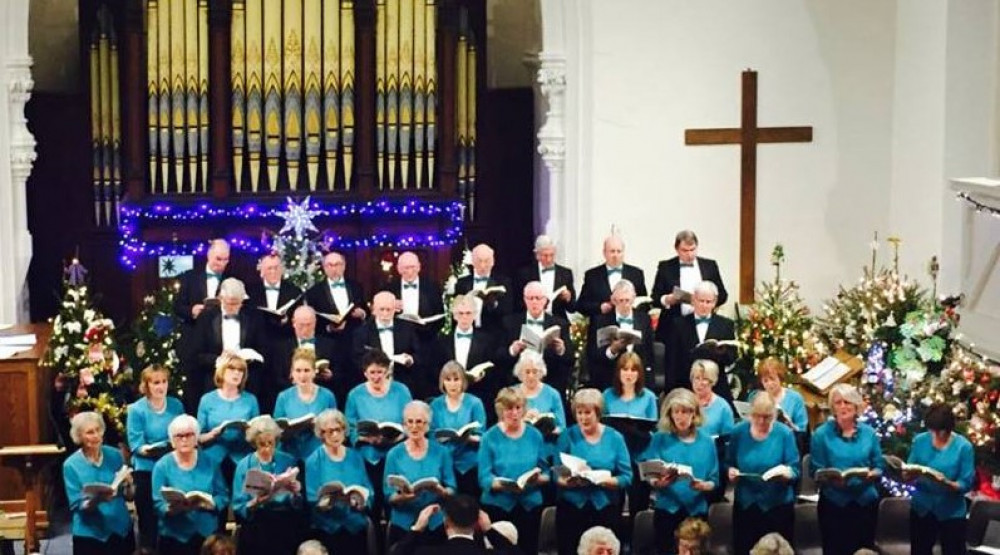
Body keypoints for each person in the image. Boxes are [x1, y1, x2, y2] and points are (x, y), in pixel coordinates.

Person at [638, 388, 719, 555]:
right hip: (667, 510)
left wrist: (704, 486)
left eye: (686, 411)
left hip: (696, 512)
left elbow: (714, 480)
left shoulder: (706, 442)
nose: (681, 417)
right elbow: (649, 473)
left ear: (695, 413)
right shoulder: (660, 438)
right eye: (677, 412)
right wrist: (658, 482)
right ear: (670, 414)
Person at [555, 388, 632, 555]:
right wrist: (568, 482)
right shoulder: (567, 436)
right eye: (579, 412)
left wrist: (603, 480)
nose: (583, 417)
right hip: (572, 508)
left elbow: (626, 477)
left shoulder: (615, 438)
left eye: (587, 412)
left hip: (605, 508)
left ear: (598, 413)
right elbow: (556, 473)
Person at [809, 383, 883, 555]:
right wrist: (831, 478)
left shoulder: (869, 433)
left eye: (847, 402)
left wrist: (871, 474)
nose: (843, 406)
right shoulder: (821, 435)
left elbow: (879, 466)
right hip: (834, 506)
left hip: (865, 504)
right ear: (832, 407)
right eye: (838, 402)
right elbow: (815, 471)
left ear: (856, 406)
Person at [478, 387, 550, 554]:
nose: (515, 413)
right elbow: (484, 478)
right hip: (499, 505)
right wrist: (502, 484)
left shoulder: (535, 435)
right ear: (501, 410)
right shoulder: (489, 437)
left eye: (518, 408)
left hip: (529, 505)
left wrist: (538, 479)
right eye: (510, 408)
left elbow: (546, 472)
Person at [726, 392, 800, 555]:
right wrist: (731, 471)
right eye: (757, 416)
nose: (761, 421)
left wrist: (786, 474)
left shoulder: (784, 434)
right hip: (746, 506)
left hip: (777, 507)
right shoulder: (739, 432)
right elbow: (729, 462)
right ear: (750, 414)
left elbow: (795, 469)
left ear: (774, 415)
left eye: (766, 417)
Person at [345, 349, 413, 517]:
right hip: (367, 457)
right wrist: (365, 438)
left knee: (397, 501)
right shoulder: (355, 394)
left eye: (380, 372)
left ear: (388, 371)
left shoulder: (401, 391)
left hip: (397, 454)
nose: (376, 377)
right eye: (372, 372)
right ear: (365, 372)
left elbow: (410, 420)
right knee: (372, 504)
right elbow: (349, 427)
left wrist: (398, 436)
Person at [127, 365, 186, 550]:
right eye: (155, 382)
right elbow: (136, 445)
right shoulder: (137, 410)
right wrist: (157, 448)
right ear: (146, 386)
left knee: (173, 518)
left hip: (172, 466)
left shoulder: (176, 405)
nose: (161, 386)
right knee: (148, 521)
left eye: (164, 382)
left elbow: (183, 432)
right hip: (146, 469)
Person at [384, 400, 457, 549]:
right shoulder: (394, 454)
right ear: (404, 425)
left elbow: (452, 489)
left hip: (435, 522)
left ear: (427, 425)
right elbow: (388, 495)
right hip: (403, 524)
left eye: (419, 422)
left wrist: (441, 491)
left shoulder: (441, 452)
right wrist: (402, 497)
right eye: (409, 422)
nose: (414, 426)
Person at [152, 414, 229, 555]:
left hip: (207, 538)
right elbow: (158, 503)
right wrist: (172, 509)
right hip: (174, 536)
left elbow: (223, 496)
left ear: (196, 438)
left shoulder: (211, 462)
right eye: (179, 436)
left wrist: (211, 504)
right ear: (172, 440)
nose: (184, 440)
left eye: (189, 435)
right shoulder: (162, 466)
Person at [906, 402, 975, 555]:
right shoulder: (920, 440)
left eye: (941, 431)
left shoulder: (964, 447)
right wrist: (906, 474)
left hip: (951, 511)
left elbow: (966, 483)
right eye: (932, 431)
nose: (936, 435)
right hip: (921, 507)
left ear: (949, 428)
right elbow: (911, 466)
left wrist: (948, 483)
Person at [190, 278, 270, 408]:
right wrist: (219, 359)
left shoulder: (254, 317)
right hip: (214, 380)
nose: (232, 308)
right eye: (228, 303)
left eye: (236, 304)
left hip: (246, 380)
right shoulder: (207, 317)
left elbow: (263, 348)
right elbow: (196, 353)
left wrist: (247, 358)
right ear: (221, 298)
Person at [63, 411, 135, 555]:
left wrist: (129, 484)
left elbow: (129, 496)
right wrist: (98, 499)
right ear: (79, 437)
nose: (96, 436)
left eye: (98, 430)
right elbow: (79, 505)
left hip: (120, 529)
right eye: (90, 432)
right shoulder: (71, 465)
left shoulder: (115, 455)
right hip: (90, 534)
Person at [173, 239, 232, 413]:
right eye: (218, 259)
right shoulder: (189, 278)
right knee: (193, 390)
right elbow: (177, 306)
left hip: (217, 342)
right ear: (208, 255)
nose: (222, 264)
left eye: (226, 260)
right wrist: (192, 310)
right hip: (192, 342)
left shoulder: (231, 281)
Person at [231, 415, 304, 554]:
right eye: (262, 444)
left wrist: (295, 492)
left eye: (271, 443)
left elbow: (298, 501)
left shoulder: (287, 460)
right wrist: (255, 502)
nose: (267, 448)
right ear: (254, 443)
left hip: (284, 524)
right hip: (256, 525)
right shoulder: (243, 465)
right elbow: (238, 505)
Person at [304, 409, 373, 554]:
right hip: (328, 528)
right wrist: (326, 503)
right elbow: (311, 498)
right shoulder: (314, 460)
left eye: (338, 430)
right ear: (321, 434)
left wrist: (360, 501)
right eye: (329, 431)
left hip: (355, 526)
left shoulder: (355, 457)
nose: (335, 435)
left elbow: (369, 490)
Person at [601, 352, 657, 523]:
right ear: (618, 372)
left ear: (639, 373)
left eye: (634, 370)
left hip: (639, 455)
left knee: (638, 506)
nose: (629, 374)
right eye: (625, 369)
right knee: (613, 507)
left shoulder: (648, 397)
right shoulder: (608, 395)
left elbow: (653, 427)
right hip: (614, 457)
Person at [661, 281, 735, 402]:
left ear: (715, 302)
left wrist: (719, 352)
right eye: (701, 301)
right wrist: (671, 393)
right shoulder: (678, 324)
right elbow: (671, 362)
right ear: (693, 300)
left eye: (708, 302)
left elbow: (731, 358)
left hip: (716, 389)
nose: (704, 305)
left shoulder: (725, 325)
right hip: (686, 387)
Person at [499, 281, 575, 399]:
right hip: (516, 385)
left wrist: (561, 350)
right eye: (530, 298)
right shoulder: (509, 322)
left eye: (538, 298)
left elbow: (570, 358)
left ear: (545, 300)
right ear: (524, 299)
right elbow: (498, 355)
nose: (534, 302)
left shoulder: (560, 323)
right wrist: (512, 350)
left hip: (550, 381)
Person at [196, 352, 261, 478]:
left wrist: (248, 431)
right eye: (232, 369)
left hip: (242, 455)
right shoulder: (207, 399)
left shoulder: (250, 400)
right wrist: (213, 434)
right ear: (222, 371)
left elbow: (257, 437)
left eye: (241, 370)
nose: (237, 373)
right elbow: (198, 437)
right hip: (213, 454)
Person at [430, 361, 488, 497]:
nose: (452, 384)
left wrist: (467, 438)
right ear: (442, 382)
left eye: (456, 379)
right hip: (444, 464)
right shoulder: (435, 405)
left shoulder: (475, 403)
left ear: (463, 381)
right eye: (448, 379)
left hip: (470, 465)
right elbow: (432, 436)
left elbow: (483, 437)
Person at [352, 291, 426, 397]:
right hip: (372, 388)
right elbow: (357, 360)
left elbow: (419, 354)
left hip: (403, 384)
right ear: (374, 310)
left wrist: (410, 359)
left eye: (389, 309)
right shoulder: (361, 332)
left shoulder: (407, 328)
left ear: (395, 309)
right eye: (381, 309)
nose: (385, 313)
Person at [435, 294, 499, 415]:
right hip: (448, 397)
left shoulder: (487, 340)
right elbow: (437, 368)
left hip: (478, 394)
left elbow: (493, 368)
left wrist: (481, 375)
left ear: (475, 315)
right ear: (454, 316)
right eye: (460, 313)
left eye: (468, 313)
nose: (464, 317)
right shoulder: (442, 340)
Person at [586, 279, 655, 391]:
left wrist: (650, 385)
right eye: (620, 300)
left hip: (639, 380)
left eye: (627, 300)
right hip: (609, 379)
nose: (624, 304)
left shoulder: (644, 319)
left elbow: (649, 353)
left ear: (633, 298)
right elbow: (592, 355)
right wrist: (612, 350)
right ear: (613, 300)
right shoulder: (599, 321)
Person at [392, 495, 516, 555]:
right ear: (478, 522)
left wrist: (417, 529)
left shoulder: (425, 553)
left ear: (446, 521)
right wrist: (489, 531)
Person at [274, 348, 337, 463]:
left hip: (320, 457)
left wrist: (320, 426)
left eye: (306, 370)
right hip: (290, 457)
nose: (302, 375)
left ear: (314, 372)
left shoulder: (327, 396)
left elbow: (336, 430)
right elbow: (276, 432)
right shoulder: (283, 397)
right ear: (292, 373)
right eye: (298, 370)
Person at [274, 305, 346, 406]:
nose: (305, 329)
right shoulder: (281, 348)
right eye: (301, 325)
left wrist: (330, 376)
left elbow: (342, 375)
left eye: (309, 325)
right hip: (292, 400)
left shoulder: (330, 345)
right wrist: (295, 380)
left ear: (315, 322)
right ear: (293, 323)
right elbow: (276, 379)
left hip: (322, 399)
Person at [651, 230, 729, 319]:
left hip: (703, 320)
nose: (690, 254)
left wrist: (707, 303)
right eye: (685, 250)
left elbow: (723, 295)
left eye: (692, 249)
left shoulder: (709, 266)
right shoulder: (665, 267)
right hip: (674, 322)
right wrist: (667, 300)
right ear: (676, 249)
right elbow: (655, 297)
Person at [578, 234, 648, 319]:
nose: (615, 255)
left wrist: (630, 307)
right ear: (604, 253)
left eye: (619, 251)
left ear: (623, 253)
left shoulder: (636, 274)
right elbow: (581, 305)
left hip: (629, 326)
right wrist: (599, 307)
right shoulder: (592, 275)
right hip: (600, 326)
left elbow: (644, 303)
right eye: (612, 251)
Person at [514, 350, 567, 459]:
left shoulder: (553, 394)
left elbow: (562, 427)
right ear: (520, 373)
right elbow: (503, 425)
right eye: (527, 372)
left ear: (541, 372)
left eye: (535, 372)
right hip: (518, 447)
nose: (531, 376)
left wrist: (546, 426)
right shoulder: (512, 393)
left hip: (546, 448)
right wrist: (522, 419)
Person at [384, 251, 446, 337]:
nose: (410, 271)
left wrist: (430, 336)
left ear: (419, 267)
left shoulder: (432, 287)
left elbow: (440, 316)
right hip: (398, 338)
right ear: (398, 269)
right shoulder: (389, 289)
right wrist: (391, 307)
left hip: (426, 338)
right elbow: (381, 315)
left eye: (413, 267)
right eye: (406, 268)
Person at [454, 243, 513, 333]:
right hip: (470, 333)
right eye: (479, 261)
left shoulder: (503, 282)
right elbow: (456, 312)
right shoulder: (462, 284)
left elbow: (508, 311)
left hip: (493, 334)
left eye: (486, 261)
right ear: (473, 262)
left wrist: (493, 303)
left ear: (493, 262)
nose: (483, 265)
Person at [514, 235, 577, 321]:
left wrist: (568, 298)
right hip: (531, 321)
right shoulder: (525, 274)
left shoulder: (565, 274)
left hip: (558, 321)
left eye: (552, 255)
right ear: (537, 255)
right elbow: (517, 304)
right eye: (545, 255)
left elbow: (572, 308)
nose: (549, 259)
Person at [245, 252, 302, 342]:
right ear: (262, 271)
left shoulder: (294, 291)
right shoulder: (250, 291)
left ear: (282, 269)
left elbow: (299, 320)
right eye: (269, 268)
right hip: (258, 341)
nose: (273, 272)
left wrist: (287, 321)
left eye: (276, 268)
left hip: (285, 341)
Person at [753, 358, 808, 432]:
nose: (769, 384)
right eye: (765, 381)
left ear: (780, 378)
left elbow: (802, 430)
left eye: (772, 379)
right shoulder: (757, 397)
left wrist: (790, 425)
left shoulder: (795, 398)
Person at [690, 360, 734, 438]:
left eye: (704, 379)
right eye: (696, 378)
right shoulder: (684, 402)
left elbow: (728, 440)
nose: (699, 383)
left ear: (713, 381)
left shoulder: (723, 407)